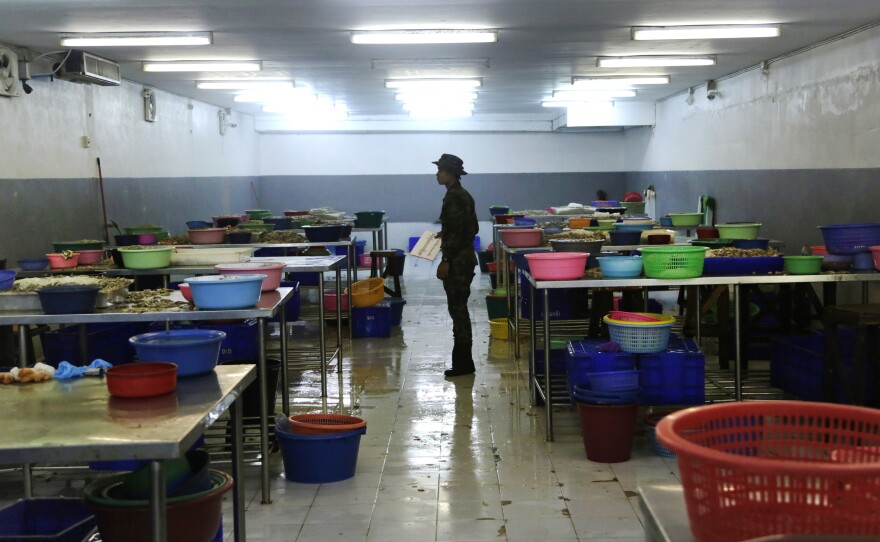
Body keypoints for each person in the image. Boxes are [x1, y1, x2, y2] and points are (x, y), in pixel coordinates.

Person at [433, 153, 479, 377]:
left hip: (458, 262)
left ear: (450, 174)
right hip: (466, 257)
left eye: (440, 170)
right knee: (459, 309)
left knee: (458, 311)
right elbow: (471, 228)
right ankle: (464, 362)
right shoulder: (464, 195)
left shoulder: (454, 197)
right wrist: (447, 232)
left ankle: (463, 364)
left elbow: (460, 232)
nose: (437, 174)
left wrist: (446, 260)